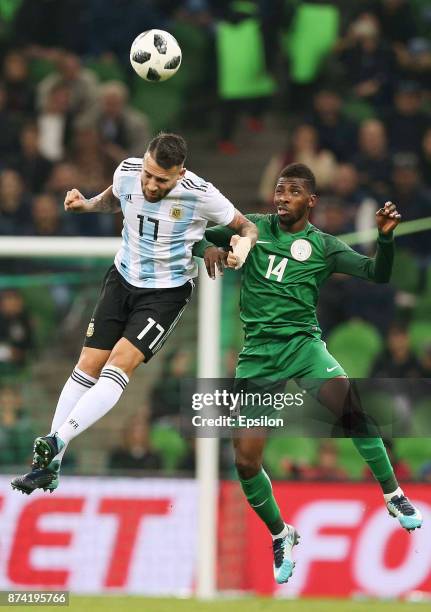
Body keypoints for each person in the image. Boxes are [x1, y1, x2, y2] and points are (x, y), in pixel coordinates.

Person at [196, 162, 422, 585]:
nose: (283, 197)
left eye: (293, 191)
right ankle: (282, 534)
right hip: (258, 359)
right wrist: (206, 248)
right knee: (246, 461)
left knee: (351, 410)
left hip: (304, 348)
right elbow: (196, 239)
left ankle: (394, 495)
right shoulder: (251, 228)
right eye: (280, 190)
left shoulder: (325, 246)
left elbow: (379, 273)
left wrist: (386, 239)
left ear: (311, 201)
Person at [11, 131, 257, 495]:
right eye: (148, 174)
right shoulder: (127, 171)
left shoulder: (201, 193)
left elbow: (246, 226)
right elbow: (116, 198)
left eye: (162, 180)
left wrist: (243, 246)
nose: (151, 184)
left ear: (180, 173)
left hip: (166, 292)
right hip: (122, 278)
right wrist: (88, 204)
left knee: (118, 364)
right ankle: (50, 466)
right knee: (86, 365)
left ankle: (56, 440)